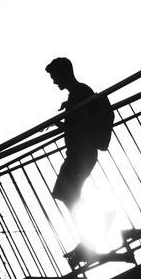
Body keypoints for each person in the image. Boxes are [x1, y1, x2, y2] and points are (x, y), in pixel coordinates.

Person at [46, 57, 100, 208]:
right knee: (66, 194)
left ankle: (89, 227)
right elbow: (75, 128)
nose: (54, 82)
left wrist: (72, 107)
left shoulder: (81, 92)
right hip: (77, 153)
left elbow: (87, 121)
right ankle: (88, 226)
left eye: (55, 77)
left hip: (82, 154)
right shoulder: (76, 94)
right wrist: (59, 122)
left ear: (64, 73)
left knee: (66, 194)